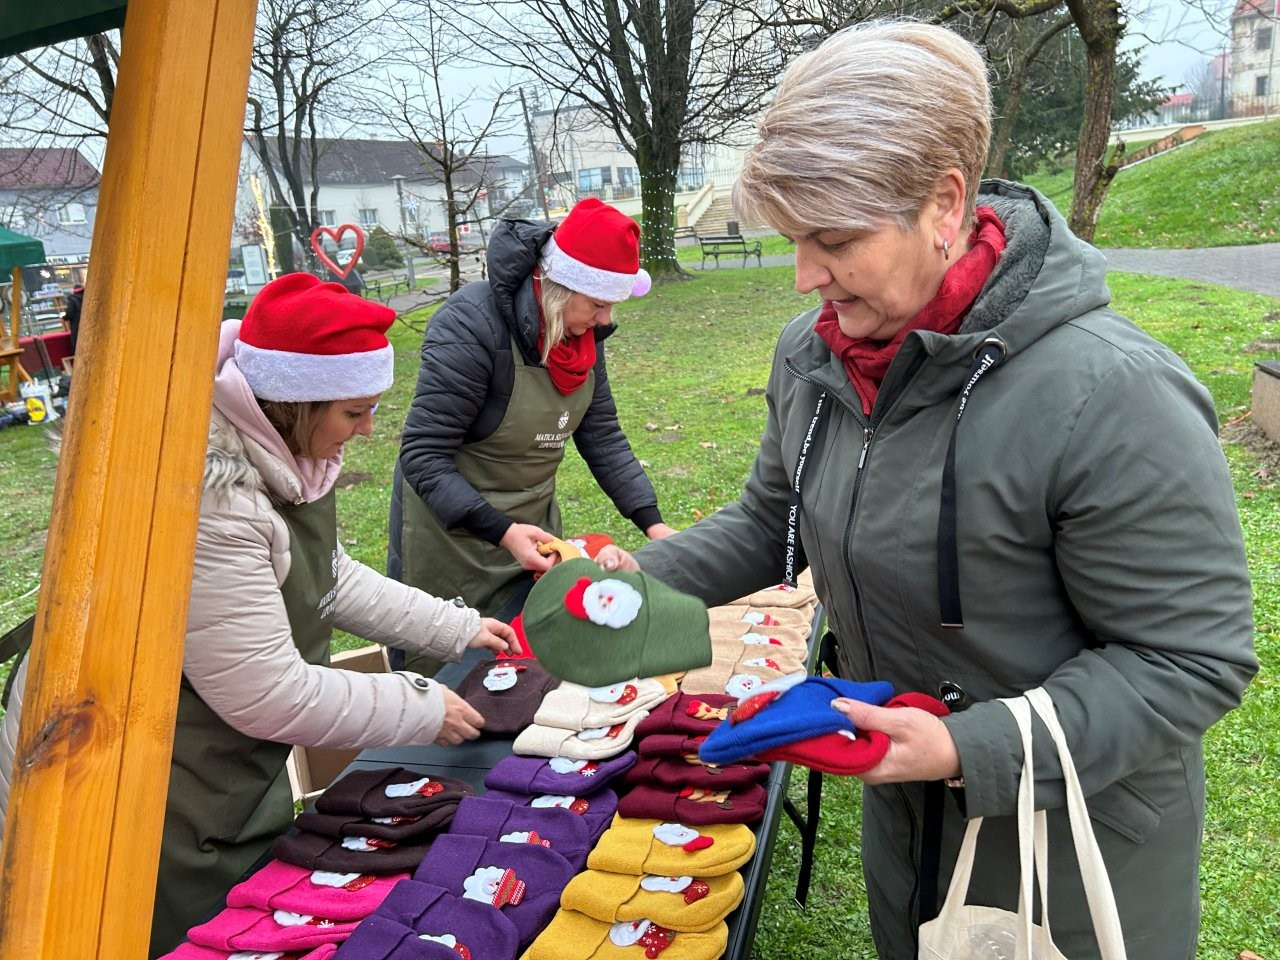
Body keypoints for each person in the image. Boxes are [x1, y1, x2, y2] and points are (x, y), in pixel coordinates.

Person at [594, 21, 1257, 960]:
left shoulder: (1113, 393)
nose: (805, 277)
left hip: (1073, 849)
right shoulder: (813, 355)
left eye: (833, 239)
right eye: (793, 239)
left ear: (944, 203)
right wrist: (634, 582)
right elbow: (775, 519)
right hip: (909, 828)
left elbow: (1189, 660)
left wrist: (961, 749)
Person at [0, 272, 515, 958]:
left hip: (209, 767)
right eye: (353, 413)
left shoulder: (279, 451)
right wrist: (421, 705)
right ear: (294, 404)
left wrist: (455, 628)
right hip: (136, 784)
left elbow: (324, 576)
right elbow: (267, 692)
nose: (368, 430)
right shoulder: (208, 501)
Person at [387, 197, 675, 674]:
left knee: (525, 667)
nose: (606, 320)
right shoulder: (471, 325)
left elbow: (602, 436)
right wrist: (501, 532)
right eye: (598, 304)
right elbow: (423, 455)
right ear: (560, 286)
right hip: (453, 539)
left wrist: (653, 523)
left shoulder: (581, 337)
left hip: (533, 534)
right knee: (451, 676)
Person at [62, 283, 85, 356]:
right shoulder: (87, 297)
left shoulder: (72, 300)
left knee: (77, 343)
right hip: (88, 323)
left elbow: (70, 313)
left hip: (77, 325)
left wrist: (64, 317)